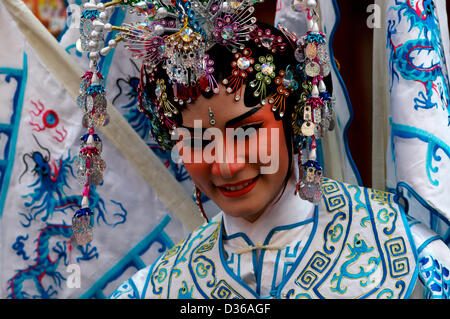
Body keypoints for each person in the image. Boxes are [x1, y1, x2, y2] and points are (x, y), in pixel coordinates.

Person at [76, 0, 450, 299]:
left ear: (295, 118)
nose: (225, 166)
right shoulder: (156, 288)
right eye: (197, 142)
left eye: (248, 132)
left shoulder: (405, 254)